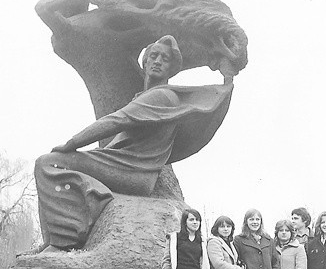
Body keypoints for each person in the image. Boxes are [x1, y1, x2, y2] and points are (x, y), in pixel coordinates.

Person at [35, 35, 233, 250]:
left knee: (49, 163)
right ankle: (62, 234)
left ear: (172, 69)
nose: (157, 61)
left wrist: (71, 144)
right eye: (154, 56)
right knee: (55, 164)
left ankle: (64, 241)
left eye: (165, 59)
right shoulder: (145, 96)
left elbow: (116, 120)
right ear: (145, 62)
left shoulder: (162, 97)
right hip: (124, 165)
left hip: (134, 172)